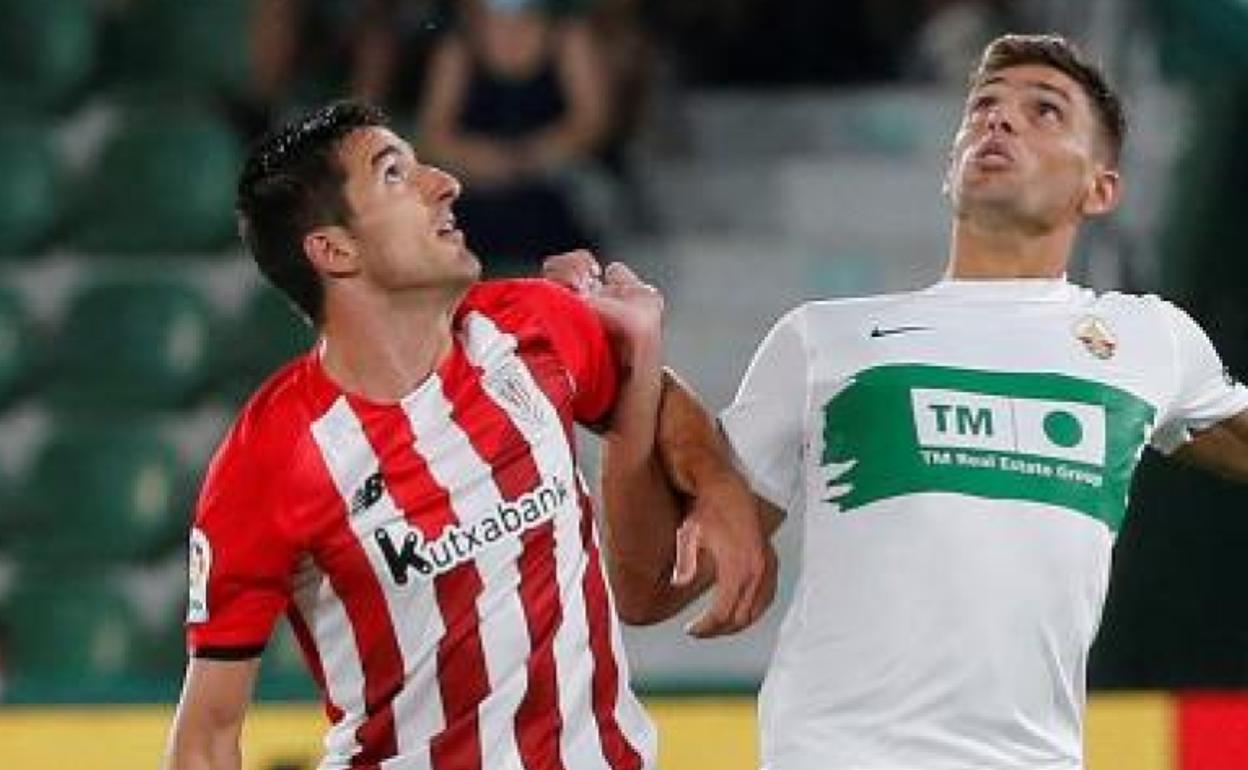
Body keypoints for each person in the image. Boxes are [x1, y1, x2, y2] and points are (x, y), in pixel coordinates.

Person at [551, 33, 1248, 770]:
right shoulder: (826, 339)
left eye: (1044, 110)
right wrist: (639, 395)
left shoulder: (1147, 340)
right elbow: (648, 590)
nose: (999, 119)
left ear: (1100, 189)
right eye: (983, 106)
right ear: (951, 165)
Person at [160, 101, 768, 770]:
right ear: (334, 250)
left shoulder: (529, 327)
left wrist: (715, 481)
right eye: (395, 174)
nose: (445, 182)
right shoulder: (273, 456)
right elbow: (206, 738)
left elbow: (651, 392)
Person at [417, 0, 608, 272]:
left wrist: (529, 157)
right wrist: (478, 159)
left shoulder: (567, 35)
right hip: (477, 190)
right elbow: (434, 135)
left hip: (558, 183)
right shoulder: (458, 46)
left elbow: (592, 123)